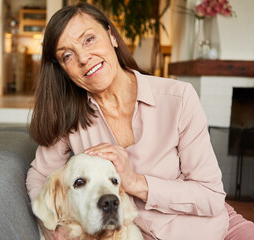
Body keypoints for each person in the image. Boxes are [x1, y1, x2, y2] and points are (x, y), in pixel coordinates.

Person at [26, 2, 254, 240]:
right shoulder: (68, 117)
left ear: (112, 36)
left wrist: (135, 182)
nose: (83, 58)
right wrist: (49, 225)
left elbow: (211, 195)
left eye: (89, 39)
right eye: (67, 55)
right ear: (62, 69)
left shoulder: (178, 98)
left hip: (215, 230)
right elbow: (40, 174)